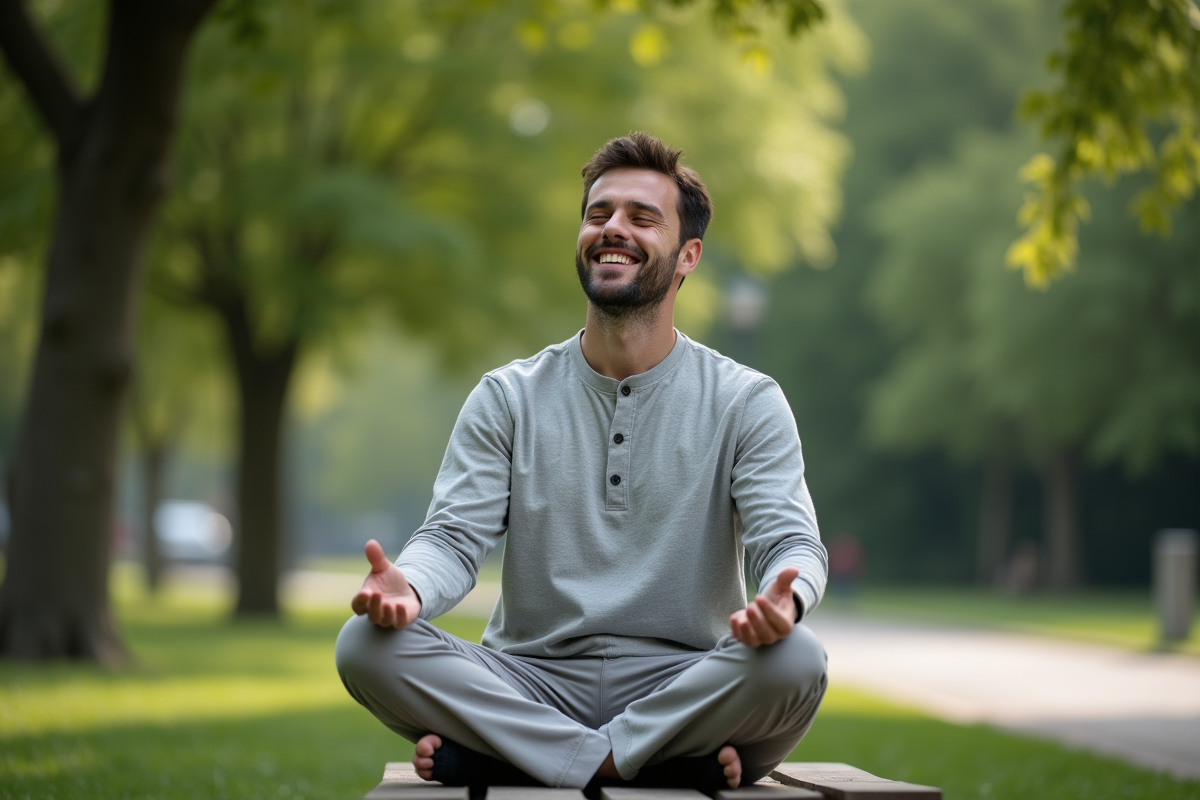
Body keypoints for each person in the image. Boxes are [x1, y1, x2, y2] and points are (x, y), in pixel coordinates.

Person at [335, 132, 828, 794]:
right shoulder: (507, 396)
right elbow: (453, 539)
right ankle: (648, 764)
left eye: (640, 217)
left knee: (796, 660)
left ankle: (521, 757)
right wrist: (410, 589)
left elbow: (791, 541)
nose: (612, 229)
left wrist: (786, 599)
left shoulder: (747, 401)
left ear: (689, 256)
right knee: (364, 645)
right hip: (528, 680)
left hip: (685, 680)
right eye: (599, 214)